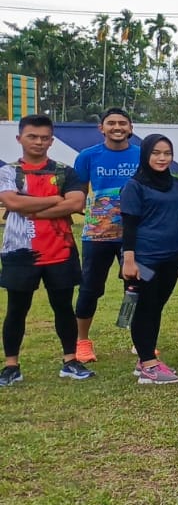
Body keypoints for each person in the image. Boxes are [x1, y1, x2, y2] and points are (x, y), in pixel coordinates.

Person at [1, 114, 90, 386]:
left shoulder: (65, 171)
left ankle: (70, 360)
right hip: (20, 250)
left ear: (52, 140)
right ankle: (11, 365)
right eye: (32, 137)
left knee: (63, 306)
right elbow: (11, 202)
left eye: (44, 137)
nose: (39, 142)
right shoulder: (8, 171)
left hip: (59, 249)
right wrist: (54, 198)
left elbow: (75, 203)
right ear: (20, 139)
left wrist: (32, 205)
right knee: (17, 308)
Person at [72, 107, 138, 364]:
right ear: (102, 128)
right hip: (96, 236)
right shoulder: (88, 156)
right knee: (90, 289)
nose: (117, 127)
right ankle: (82, 342)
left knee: (134, 288)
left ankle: (139, 339)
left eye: (122, 123)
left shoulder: (142, 155)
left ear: (130, 128)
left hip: (134, 236)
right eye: (111, 123)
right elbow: (76, 194)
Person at [118, 135, 178, 384]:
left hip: (170, 257)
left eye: (167, 153)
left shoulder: (175, 184)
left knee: (155, 307)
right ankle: (148, 365)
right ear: (146, 154)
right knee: (144, 309)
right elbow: (129, 225)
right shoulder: (134, 186)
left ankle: (145, 358)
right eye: (156, 153)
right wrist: (129, 260)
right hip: (143, 260)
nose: (162, 158)